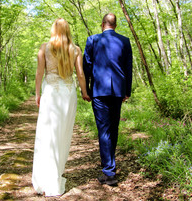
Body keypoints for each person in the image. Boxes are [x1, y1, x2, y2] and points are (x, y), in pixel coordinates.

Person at [32, 18, 91, 196]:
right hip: (67, 94)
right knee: (63, 134)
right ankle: (55, 176)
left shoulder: (44, 48)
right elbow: (80, 74)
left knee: (48, 134)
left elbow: (39, 73)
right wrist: (84, 92)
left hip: (51, 93)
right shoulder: (75, 49)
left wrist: (37, 93)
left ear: (53, 30)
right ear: (68, 30)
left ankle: (48, 178)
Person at [83, 13, 132, 186]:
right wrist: (128, 91)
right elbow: (128, 67)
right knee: (114, 128)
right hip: (118, 91)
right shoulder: (125, 41)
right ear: (115, 25)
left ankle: (109, 171)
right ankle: (109, 166)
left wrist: (87, 90)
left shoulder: (93, 40)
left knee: (104, 129)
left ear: (102, 24)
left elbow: (86, 67)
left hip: (99, 91)